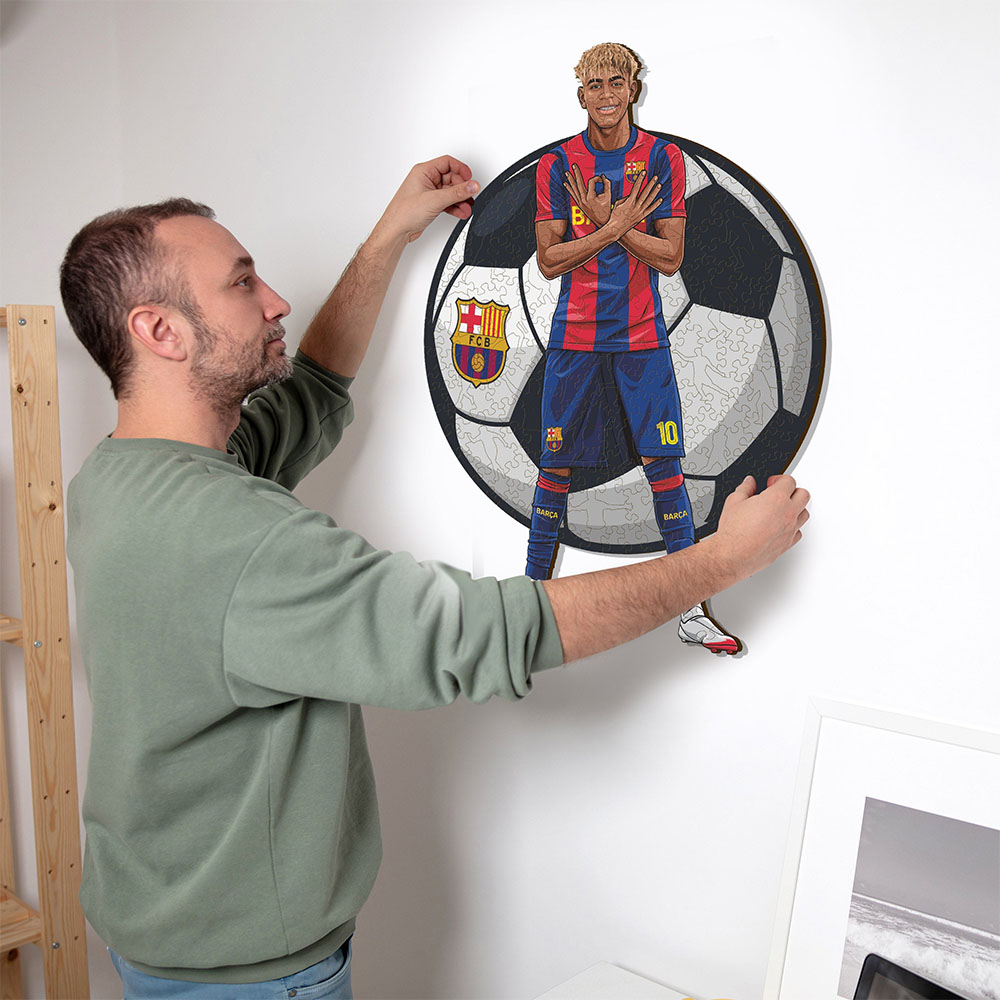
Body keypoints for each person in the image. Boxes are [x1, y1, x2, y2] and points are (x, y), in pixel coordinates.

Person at [61, 155, 809, 999]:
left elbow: (310, 389)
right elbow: (480, 633)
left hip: (165, 934)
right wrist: (718, 562)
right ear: (159, 331)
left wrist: (391, 234)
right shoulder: (230, 537)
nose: (275, 301)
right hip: (250, 980)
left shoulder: (119, 479)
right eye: (241, 284)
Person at [525, 42, 741, 654]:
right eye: (594, 85)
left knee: (663, 465)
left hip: (642, 336)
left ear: (633, 89)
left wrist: (607, 224)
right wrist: (617, 226)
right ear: (581, 95)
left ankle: (691, 610)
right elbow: (548, 262)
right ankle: (528, 603)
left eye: (615, 82)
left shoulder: (662, 159)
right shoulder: (557, 165)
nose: (605, 94)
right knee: (554, 467)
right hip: (576, 338)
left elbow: (671, 259)